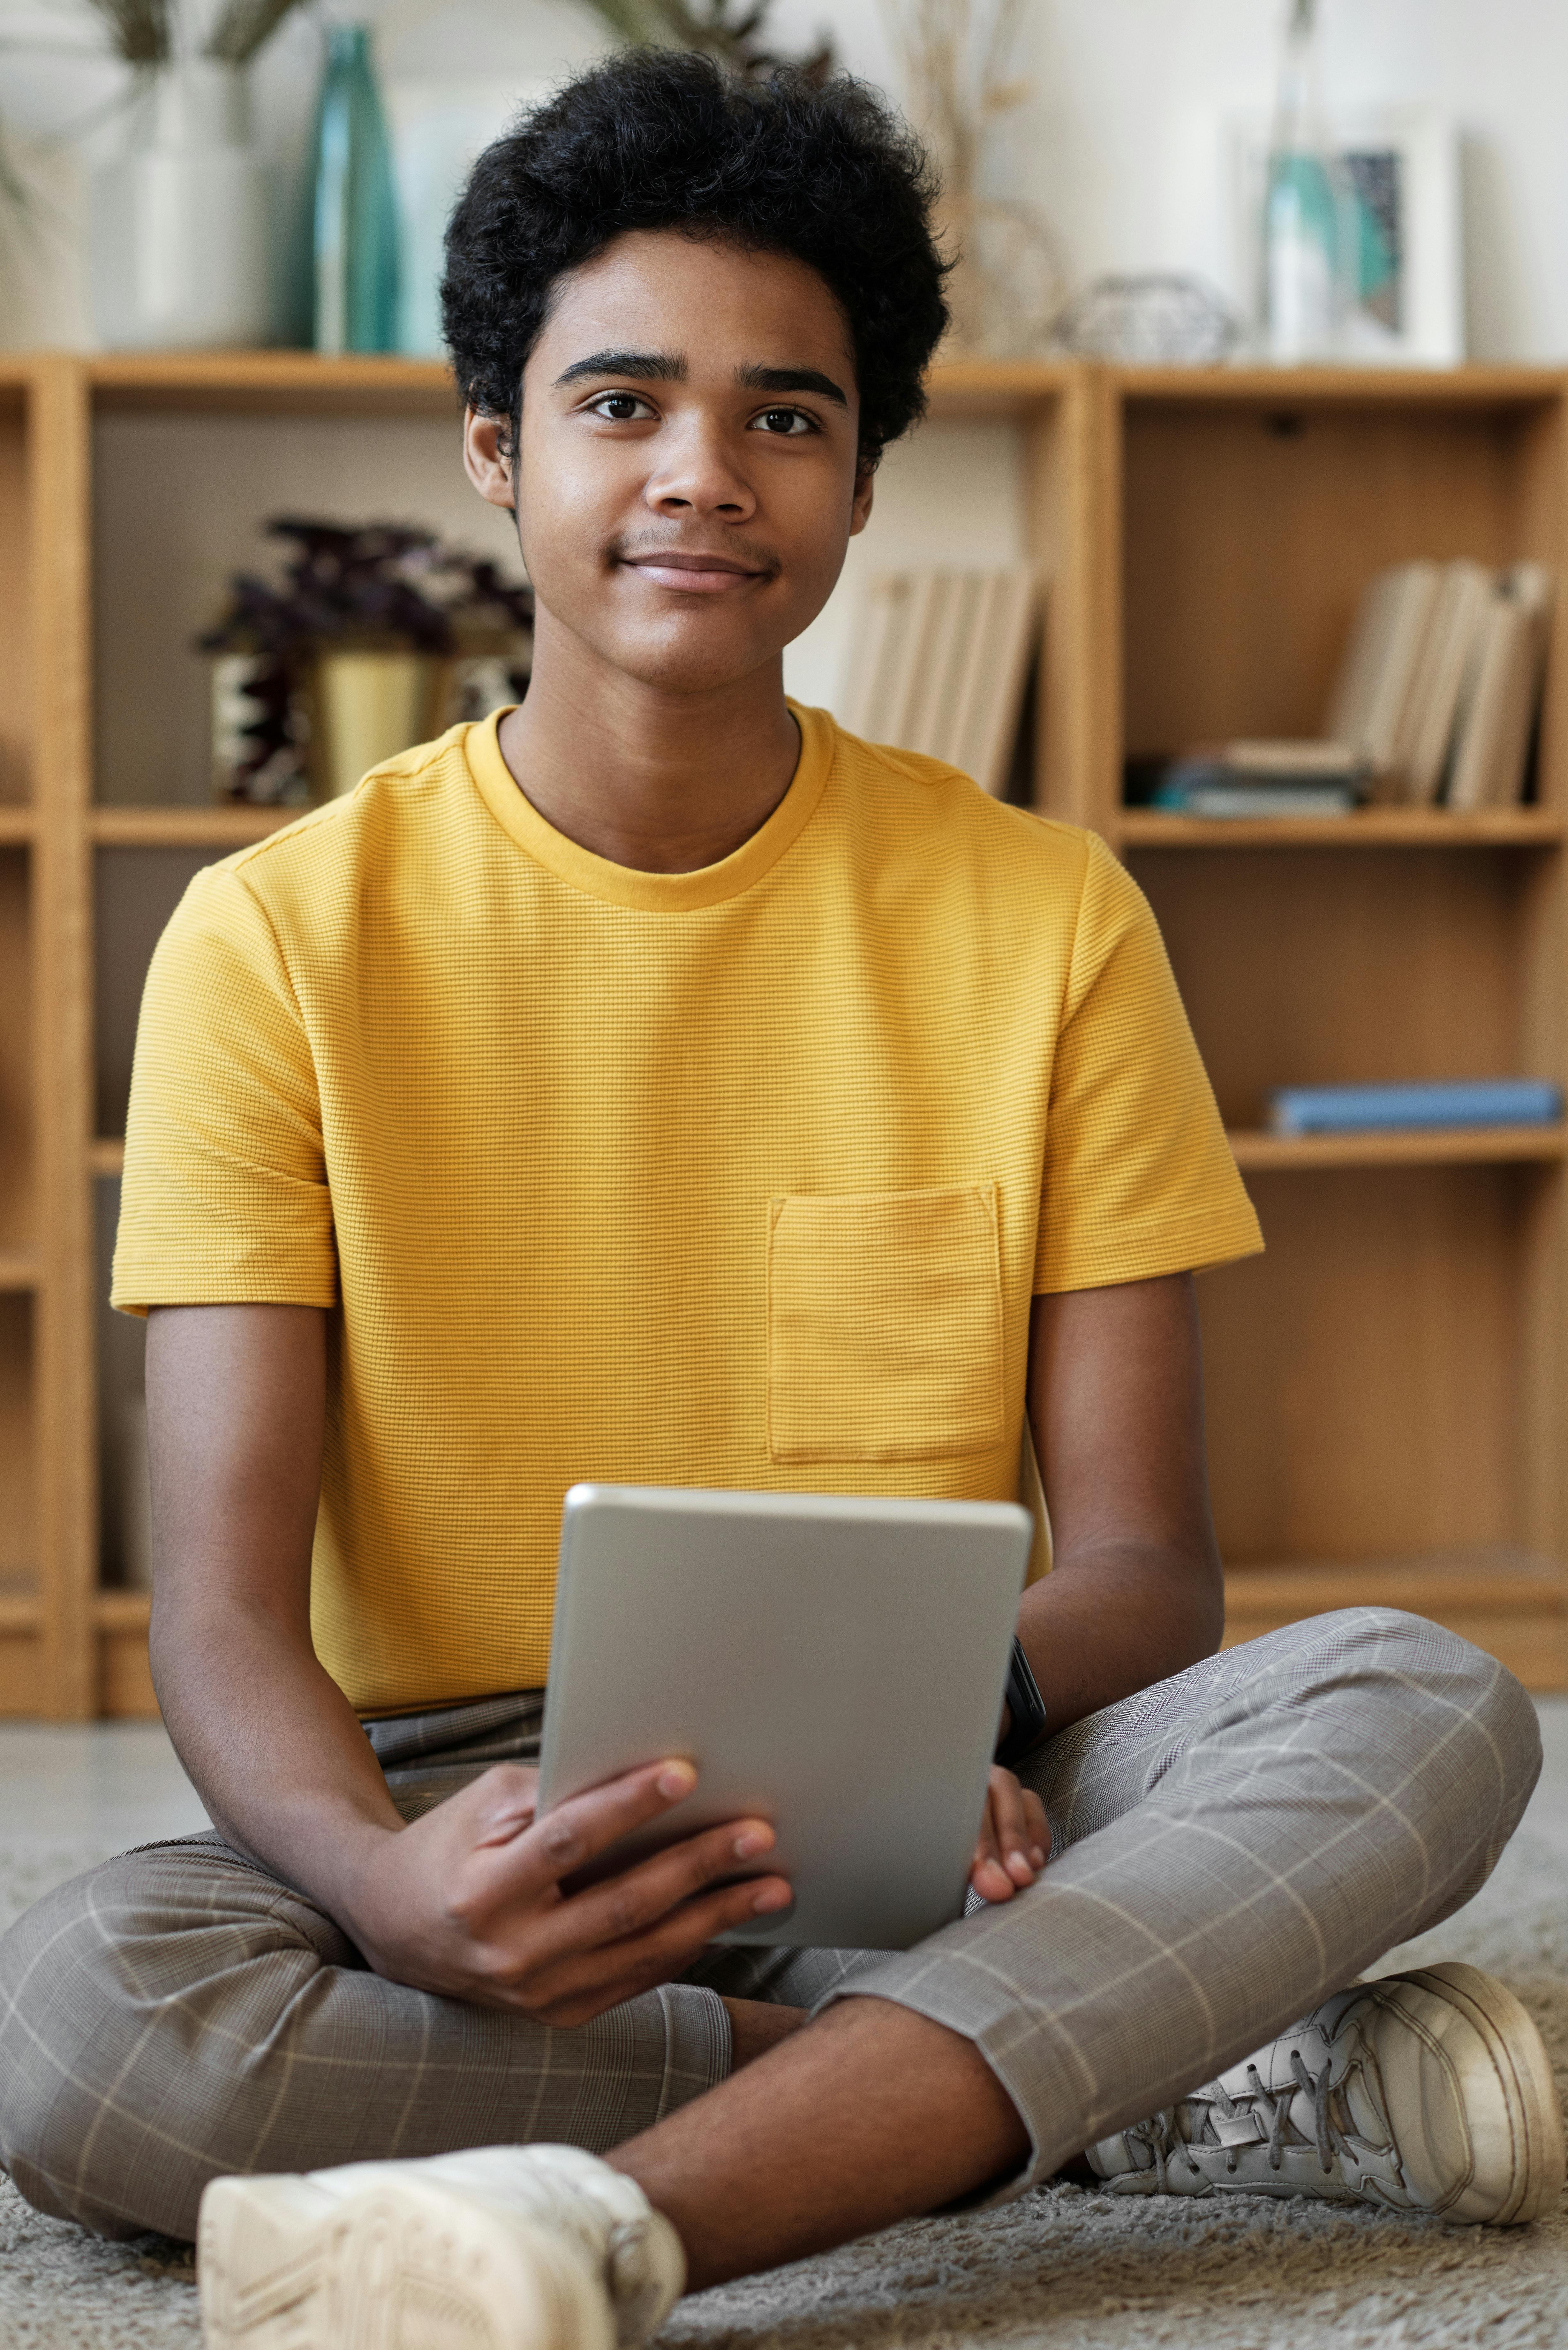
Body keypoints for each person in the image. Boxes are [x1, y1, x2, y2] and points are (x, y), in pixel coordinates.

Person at [0, 48, 1559, 2350]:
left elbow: (1149, 1562)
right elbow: (220, 1611)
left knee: (1429, 1698)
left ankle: (614, 2230)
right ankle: (1126, 2088)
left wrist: (955, 1737)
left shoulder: (1049, 914)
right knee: (84, 2017)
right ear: (496, 451)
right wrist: (392, 1889)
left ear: (857, 485)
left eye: (788, 419)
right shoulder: (272, 934)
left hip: (965, 1761)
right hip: (466, 1787)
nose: (701, 478)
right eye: (621, 403)